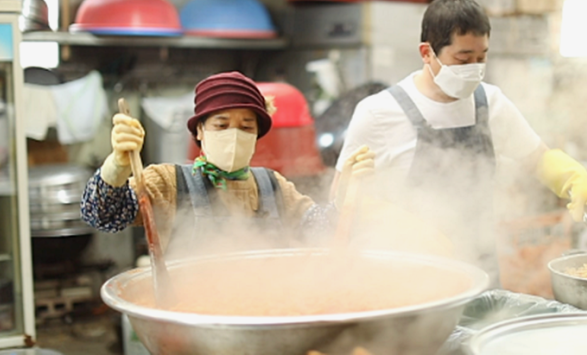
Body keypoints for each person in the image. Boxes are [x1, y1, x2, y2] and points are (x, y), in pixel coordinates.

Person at [332, 0, 587, 285]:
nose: (473, 67)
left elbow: (536, 158)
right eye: (462, 59)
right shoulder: (379, 113)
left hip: (479, 269)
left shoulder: (491, 103)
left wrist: (573, 179)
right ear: (427, 53)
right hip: (405, 275)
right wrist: (403, 224)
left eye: (481, 57)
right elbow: (339, 196)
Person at [81, 71, 373, 259]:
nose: (234, 135)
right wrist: (117, 166)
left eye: (246, 127)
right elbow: (103, 216)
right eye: (222, 125)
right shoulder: (167, 182)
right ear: (199, 131)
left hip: (264, 314)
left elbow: (320, 231)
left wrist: (347, 196)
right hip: (192, 324)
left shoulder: (272, 185)